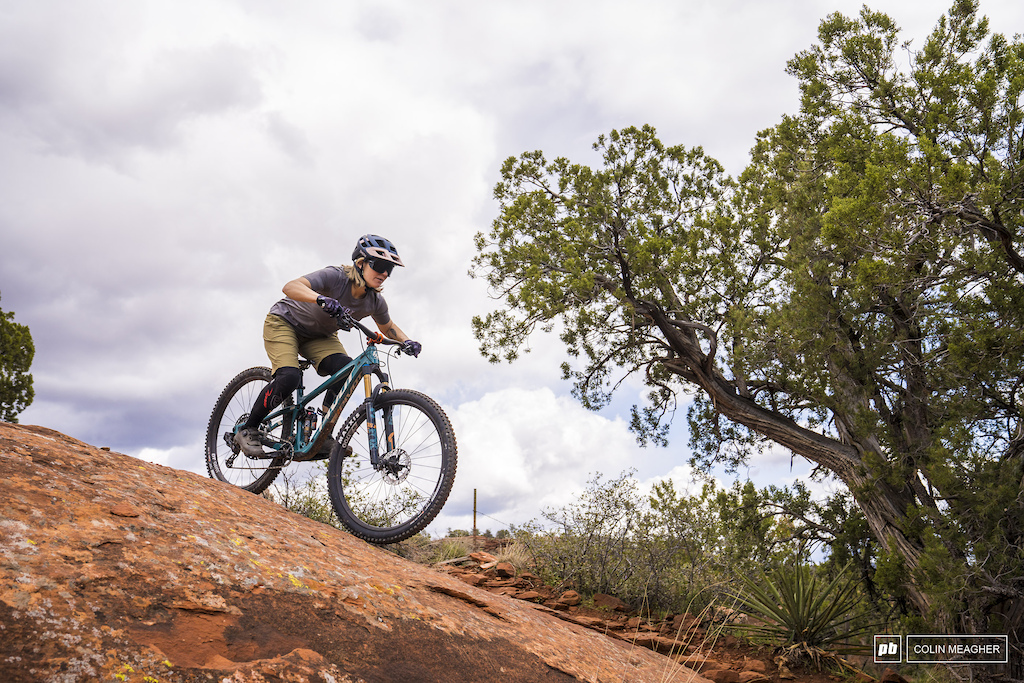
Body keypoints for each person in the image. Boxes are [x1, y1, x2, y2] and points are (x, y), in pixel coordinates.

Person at [234, 234, 421, 457]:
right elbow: (290, 286)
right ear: (360, 263)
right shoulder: (336, 277)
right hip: (285, 322)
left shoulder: (374, 301)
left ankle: (323, 437)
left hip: (320, 335)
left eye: (389, 270)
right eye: (379, 266)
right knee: (289, 377)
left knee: (347, 372)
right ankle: (248, 428)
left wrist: (407, 341)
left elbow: (388, 326)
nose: (383, 274)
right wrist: (320, 299)